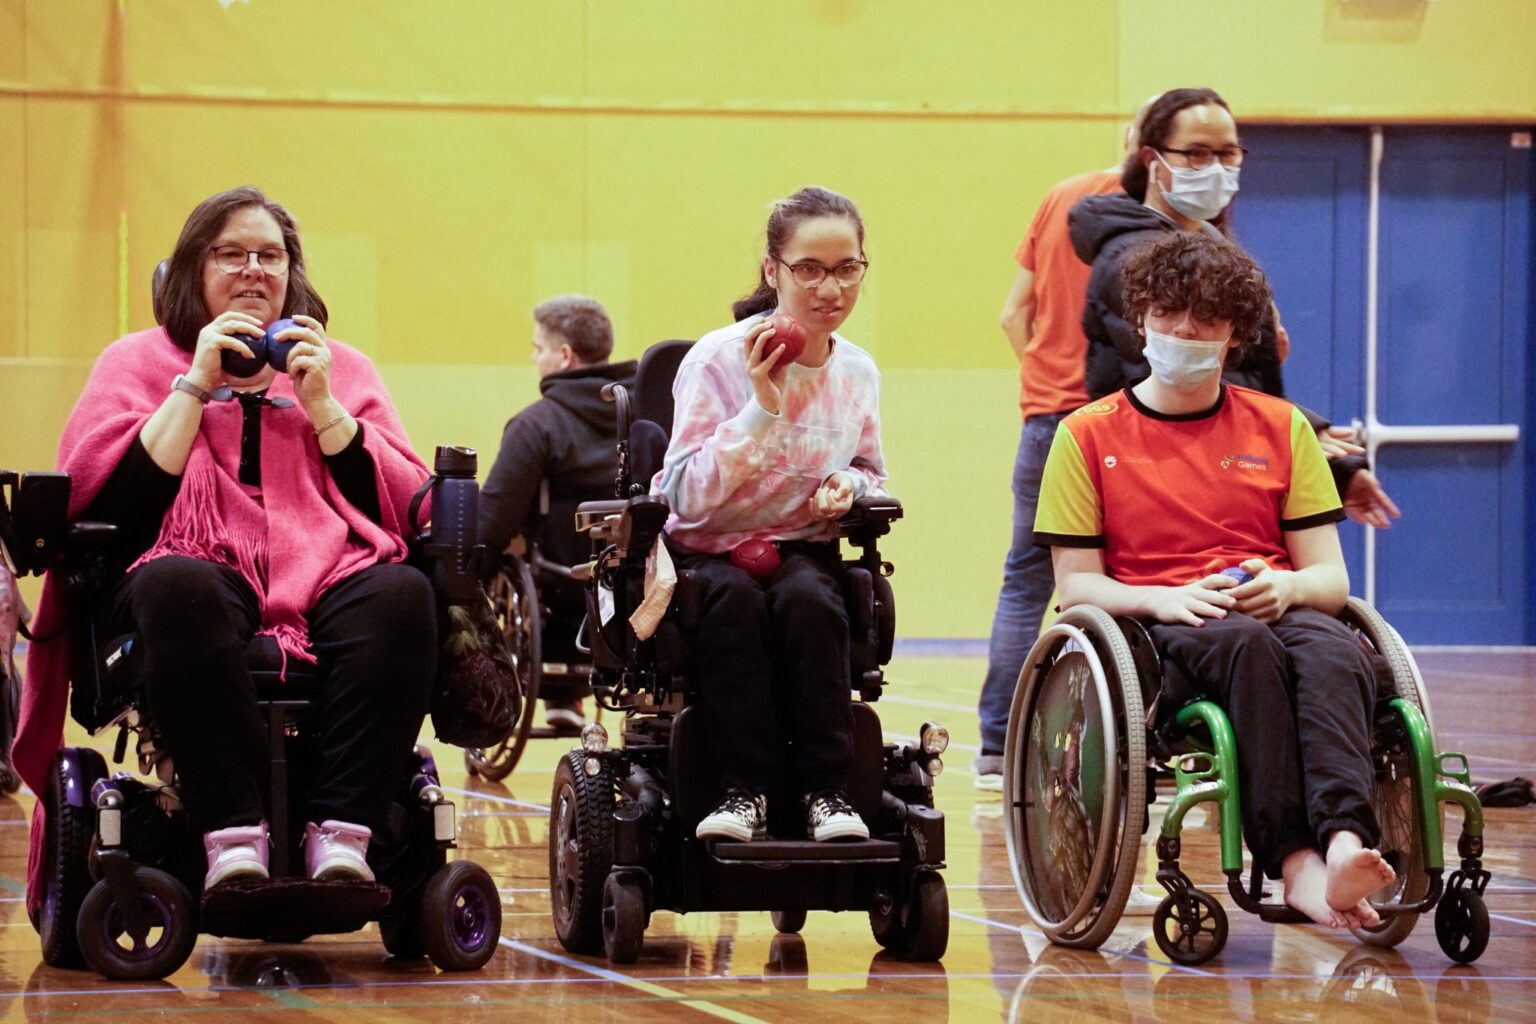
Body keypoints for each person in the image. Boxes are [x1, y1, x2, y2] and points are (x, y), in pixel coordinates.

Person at [13, 187, 434, 900]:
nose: (253, 270)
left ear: (291, 273)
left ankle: (343, 833)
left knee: (401, 594)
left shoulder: (342, 367)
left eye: (270, 255)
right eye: (231, 253)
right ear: (192, 271)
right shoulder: (135, 362)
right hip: (182, 574)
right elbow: (111, 503)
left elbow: (400, 509)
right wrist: (194, 384)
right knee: (180, 585)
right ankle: (232, 836)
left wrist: (323, 403)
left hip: (324, 572)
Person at [1034, 231, 1396, 929]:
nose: (1184, 333)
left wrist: (1288, 589)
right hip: (1160, 626)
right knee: (1247, 648)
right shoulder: (1085, 436)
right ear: (1140, 320)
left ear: (1236, 336)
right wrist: (1162, 598)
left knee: (1331, 648)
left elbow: (1328, 576)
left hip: (1273, 605)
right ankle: (1296, 865)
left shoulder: (1283, 428)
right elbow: (1077, 586)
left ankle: (1347, 842)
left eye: (1206, 321)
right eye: (1169, 316)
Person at [657, 185, 885, 844]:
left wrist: (848, 485)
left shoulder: (860, 372)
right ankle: (741, 792)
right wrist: (760, 406)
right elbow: (686, 496)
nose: (829, 289)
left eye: (847, 269)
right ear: (773, 271)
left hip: (800, 549)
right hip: (707, 552)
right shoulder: (716, 362)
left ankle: (827, 795)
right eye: (808, 269)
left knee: (812, 605)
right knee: (732, 608)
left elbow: (873, 470)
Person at [1069, 86, 1401, 529]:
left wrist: (1322, 456)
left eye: (1228, 154)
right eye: (1196, 154)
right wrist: (1297, 429)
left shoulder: (1208, 241)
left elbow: (1241, 374)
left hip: (1217, 469)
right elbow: (1191, 381)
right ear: (1152, 160)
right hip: (1162, 483)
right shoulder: (1133, 256)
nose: (1215, 168)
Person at [974, 99, 1155, 791]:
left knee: (1026, 580)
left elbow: (1011, 314)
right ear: (1155, 151)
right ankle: (1133, 743)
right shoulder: (1158, 225)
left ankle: (998, 748)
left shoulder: (1063, 197)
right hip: (1127, 416)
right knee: (1138, 573)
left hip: (1049, 414)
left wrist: (1046, 380)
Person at [478, 295, 637, 730]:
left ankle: (557, 693)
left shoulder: (536, 425)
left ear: (564, 355)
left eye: (538, 349)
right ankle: (570, 696)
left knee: (493, 550)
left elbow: (492, 523)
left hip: (561, 598)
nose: (534, 359)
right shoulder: (646, 414)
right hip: (635, 600)